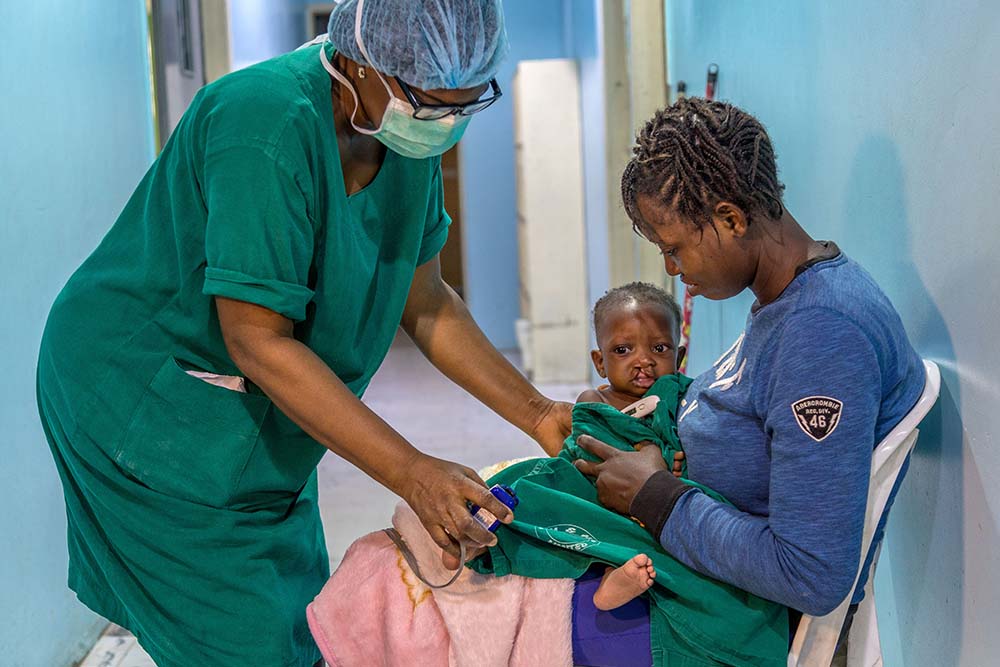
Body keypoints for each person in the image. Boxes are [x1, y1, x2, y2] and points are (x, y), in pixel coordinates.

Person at [35, 1, 571, 666]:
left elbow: (426, 301)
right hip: (142, 400)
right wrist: (412, 472)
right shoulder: (262, 123)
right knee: (244, 637)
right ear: (359, 59)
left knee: (308, 622)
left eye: (462, 106)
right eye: (431, 105)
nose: (445, 126)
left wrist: (543, 414)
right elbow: (258, 340)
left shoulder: (401, 130)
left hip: (253, 408)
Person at [574, 96, 926, 653]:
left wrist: (657, 498)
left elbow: (810, 571)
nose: (671, 268)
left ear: (731, 219)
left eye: (674, 248)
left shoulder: (822, 334)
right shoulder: (786, 297)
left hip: (716, 612)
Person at [468, 281, 790, 666]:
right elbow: (590, 443)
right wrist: (648, 452)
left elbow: (685, 448)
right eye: (623, 350)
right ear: (600, 362)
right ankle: (509, 537)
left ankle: (616, 581)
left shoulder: (679, 396)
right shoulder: (596, 400)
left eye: (659, 348)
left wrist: (670, 465)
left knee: (685, 531)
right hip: (596, 488)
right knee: (536, 488)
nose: (643, 361)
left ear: (679, 354)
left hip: (649, 504)